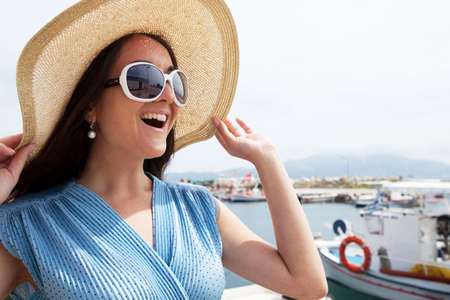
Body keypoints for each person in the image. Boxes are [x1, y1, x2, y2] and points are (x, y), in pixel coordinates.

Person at [0, 0, 327, 299]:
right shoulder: (27, 225)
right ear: (90, 105)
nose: (168, 96)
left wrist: (267, 160)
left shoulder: (199, 209)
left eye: (176, 83)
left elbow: (307, 284)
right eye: (143, 80)